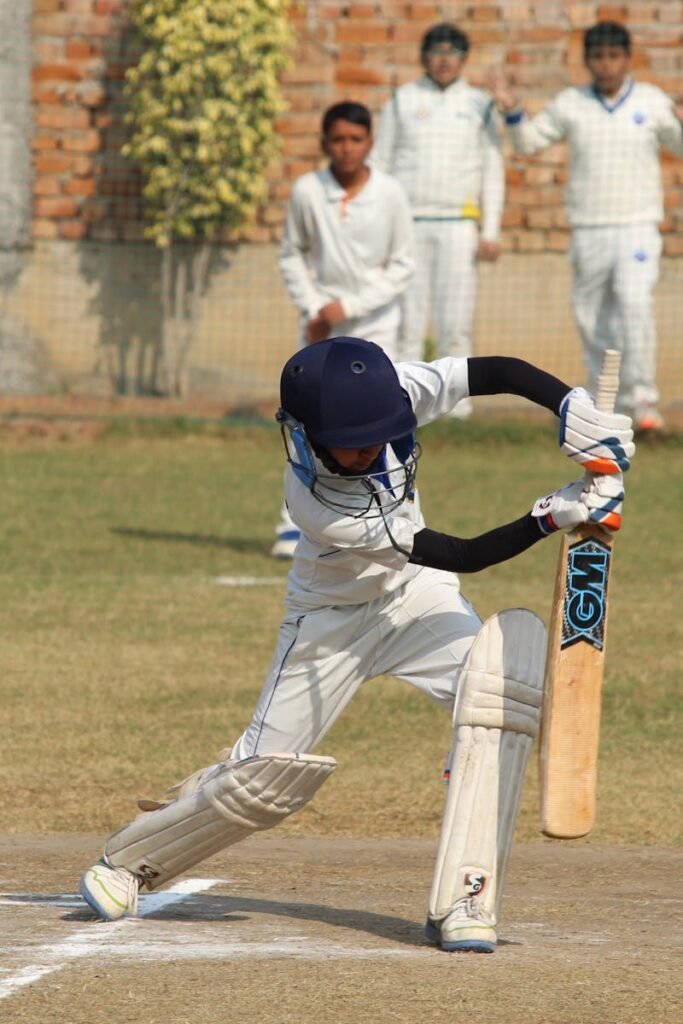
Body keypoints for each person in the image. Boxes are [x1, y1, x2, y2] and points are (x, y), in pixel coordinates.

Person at [79, 337, 634, 953]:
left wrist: (570, 408)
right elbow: (465, 554)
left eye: (380, 431)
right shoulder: (317, 503)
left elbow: (493, 372)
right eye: (353, 439)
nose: (371, 446)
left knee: (501, 702)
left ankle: (467, 898)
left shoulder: (390, 394)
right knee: (259, 781)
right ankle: (127, 862)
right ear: (310, 435)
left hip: (417, 598)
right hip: (328, 627)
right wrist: (550, 515)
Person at [491, 20, 683, 434]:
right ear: (588, 61)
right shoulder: (571, 103)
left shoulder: (650, 101)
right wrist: (512, 110)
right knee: (590, 316)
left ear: (627, 59)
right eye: (598, 57)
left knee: (634, 304)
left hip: (637, 225)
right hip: (589, 227)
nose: (607, 65)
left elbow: (679, 145)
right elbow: (528, 143)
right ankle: (602, 406)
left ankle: (645, 403)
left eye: (614, 57)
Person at [272, 100, 415, 558]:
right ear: (324, 143)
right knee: (310, 424)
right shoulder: (307, 191)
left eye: (356, 139)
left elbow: (403, 265)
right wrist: (315, 307)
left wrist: (348, 305)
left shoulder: (390, 193)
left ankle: (390, 513)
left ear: (370, 143)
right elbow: (291, 253)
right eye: (338, 140)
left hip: (376, 325)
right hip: (320, 333)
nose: (347, 148)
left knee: (381, 422)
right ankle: (294, 524)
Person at [373, 21, 505, 416]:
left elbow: (492, 169)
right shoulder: (403, 100)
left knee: (456, 319)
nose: (444, 60)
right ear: (423, 57)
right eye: (436, 52)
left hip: (459, 224)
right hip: (410, 223)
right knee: (408, 323)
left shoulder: (479, 104)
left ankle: (456, 410)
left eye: (452, 53)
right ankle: (403, 404)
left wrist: (491, 229)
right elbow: (380, 164)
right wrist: (381, 231)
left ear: (464, 59)